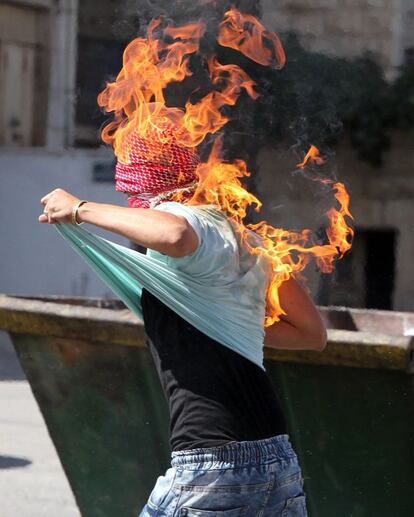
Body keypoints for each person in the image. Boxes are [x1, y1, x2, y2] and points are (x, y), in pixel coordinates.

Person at [39, 130, 326, 517]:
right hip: (278, 459)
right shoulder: (249, 240)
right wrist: (229, 319)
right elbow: (312, 335)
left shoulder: (183, 219)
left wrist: (80, 208)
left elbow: (174, 233)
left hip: (213, 464)